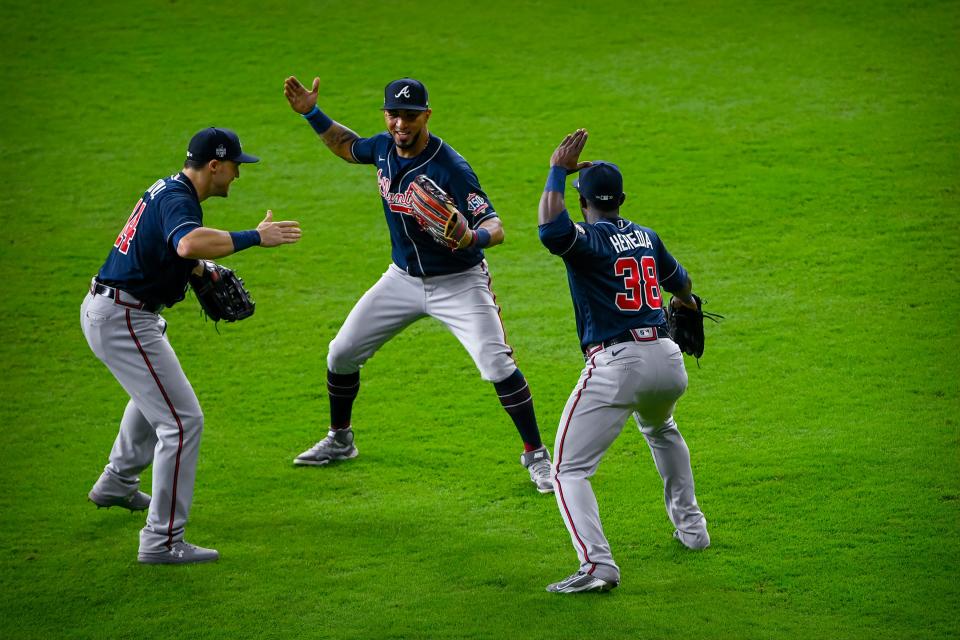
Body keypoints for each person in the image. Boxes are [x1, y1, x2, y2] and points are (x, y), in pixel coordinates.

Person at [283, 75, 553, 493]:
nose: (400, 124)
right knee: (341, 353)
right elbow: (346, 146)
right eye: (393, 114)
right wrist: (312, 114)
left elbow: (495, 226)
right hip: (402, 279)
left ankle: (537, 456)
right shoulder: (382, 149)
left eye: (410, 116)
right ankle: (341, 439)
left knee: (496, 363)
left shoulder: (451, 167)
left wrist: (471, 237)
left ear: (426, 115)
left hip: (459, 282)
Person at [82, 127, 301, 564]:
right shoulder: (180, 200)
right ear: (215, 165)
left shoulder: (170, 189)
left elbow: (169, 249)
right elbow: (186, 241)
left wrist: (199, 271)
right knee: (182, 422)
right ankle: (162, 541)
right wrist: (255, 237)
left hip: (117, 310)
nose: (239, 174)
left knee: (153, 399)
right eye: (236, 165)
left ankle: (118, 482)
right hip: (124, 318)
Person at [537, 129, 710, 593]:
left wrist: (556, 169)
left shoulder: (586, 238)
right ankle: (694, 532)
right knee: (661, 430)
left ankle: (597, 566)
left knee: (567, 470)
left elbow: (550, 230)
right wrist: (689, 306)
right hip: (667, 360)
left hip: (618, 365)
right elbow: (683, 282)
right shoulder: (646, 236)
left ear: (583, 202)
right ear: (622, 200)